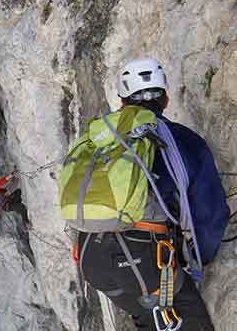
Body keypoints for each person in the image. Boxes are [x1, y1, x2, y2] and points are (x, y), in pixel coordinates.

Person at [76, 58, 230, 330]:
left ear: (122, 103)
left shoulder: (102, 138)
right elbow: (210, 213)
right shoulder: (183, 141)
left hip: (92, 257)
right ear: (166, 100)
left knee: (150, 312)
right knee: (188, 319)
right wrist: (200, 257)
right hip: (144, 255)